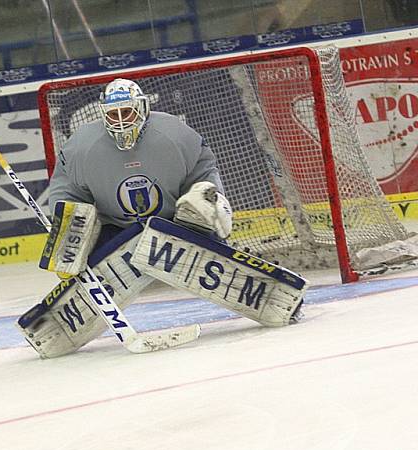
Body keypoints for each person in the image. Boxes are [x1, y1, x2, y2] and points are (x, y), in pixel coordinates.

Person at [19, 78, 302, 358]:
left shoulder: (176, 134)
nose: (120, 122)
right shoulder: (80, 147)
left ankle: (268, 294)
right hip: (116, 230)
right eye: (113, 115)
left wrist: (208, 200)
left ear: (142, 109)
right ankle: (58, 326)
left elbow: (204, 173)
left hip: (175, 225)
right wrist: (69, 232)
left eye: (126, 112)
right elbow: (65, 191)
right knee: (78, 239)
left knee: (199, 204)